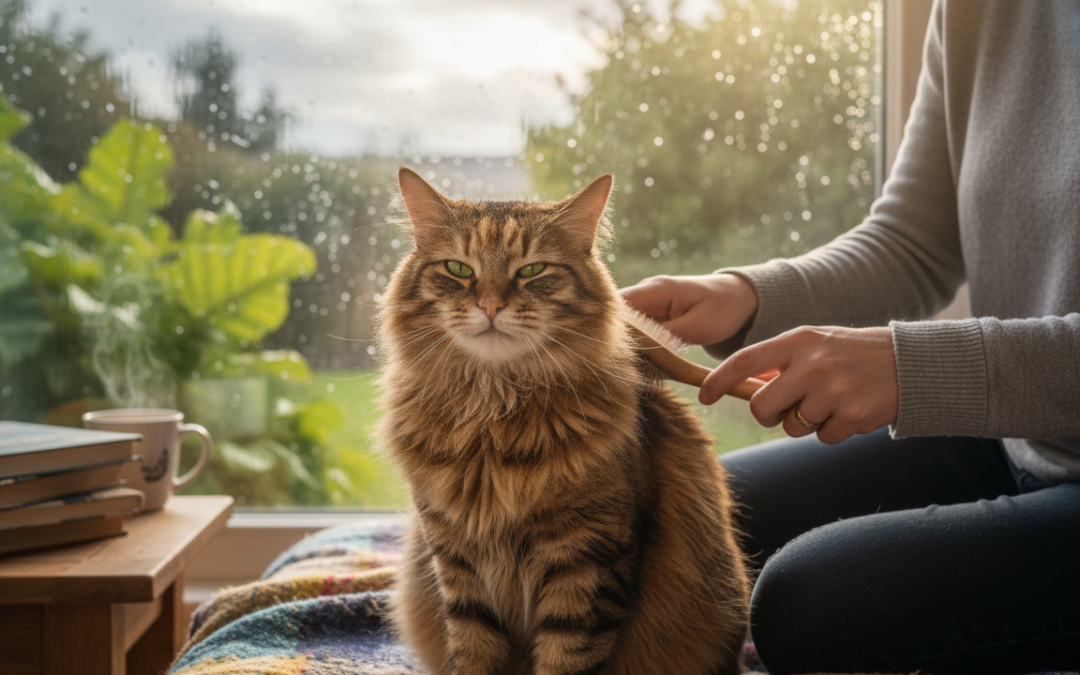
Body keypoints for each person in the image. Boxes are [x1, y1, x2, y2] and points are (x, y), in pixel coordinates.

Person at [620, 2, 1080, 673]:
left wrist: (911, 370)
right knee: (664, 514)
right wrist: (744, 296)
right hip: (1019, 437)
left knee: (810, 602)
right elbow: (913, 242)